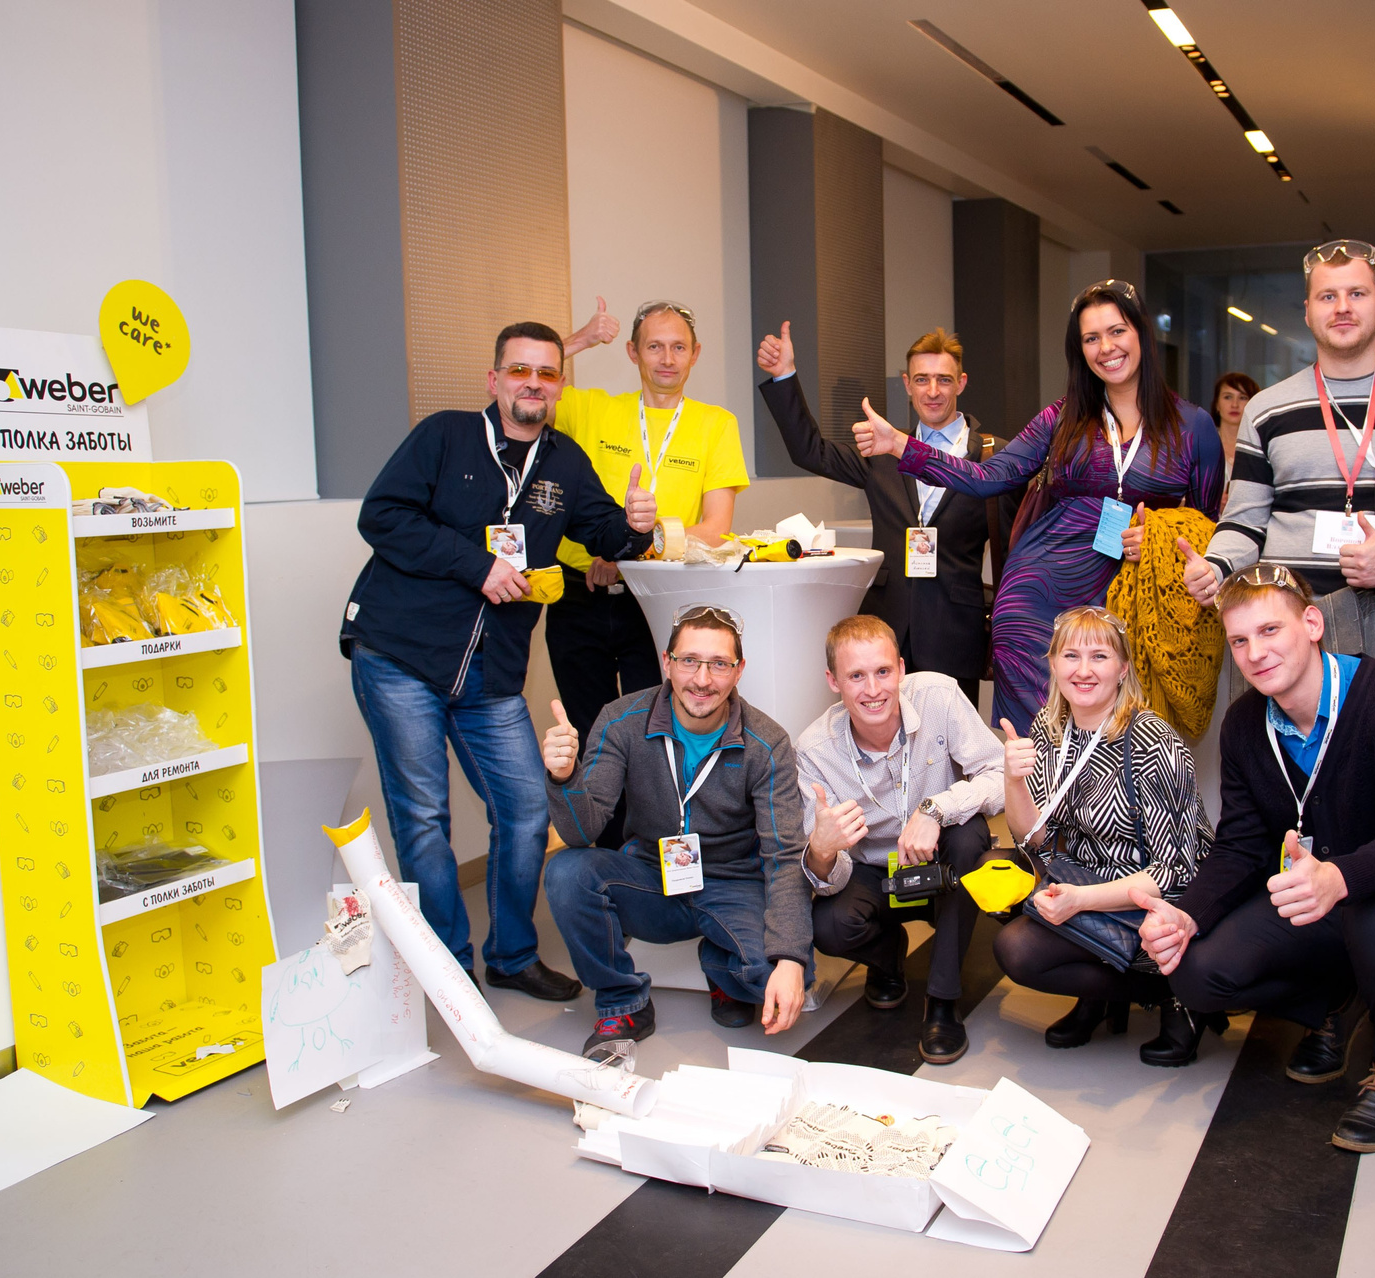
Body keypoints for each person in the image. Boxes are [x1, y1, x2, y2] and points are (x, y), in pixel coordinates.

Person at [341, 321, 658, 999]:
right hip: (401, 657)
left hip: (491, 672)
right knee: (424, 818)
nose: (532, 384)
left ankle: (511, 957)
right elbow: (382, 516)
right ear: (494, 379)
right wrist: (477, 565)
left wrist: (636, 527)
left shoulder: (566, 463)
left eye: (546, 374)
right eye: (519, 371)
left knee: (525, 812)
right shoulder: (445, 436)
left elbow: (605, 533)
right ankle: (449, 969)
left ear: (559, 386)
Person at [1136, 565, 1375, 1152]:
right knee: (1194, 971)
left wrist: (1339, 877)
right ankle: (1338, 1003)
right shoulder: (1245, 725)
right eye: (1240, 640)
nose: (1255, 653)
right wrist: (1187, 914)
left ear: (1313, 624)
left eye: (1270, 630)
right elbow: (1240, 845)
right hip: (1318, 905)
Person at [855, 280, 1224, 733]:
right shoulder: (1063, 416)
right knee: (1041, 740)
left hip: (1131, 596)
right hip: (1036, 597)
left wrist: (1161, 537)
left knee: (1119, 732)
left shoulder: (1192, 426)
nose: (1106, 348)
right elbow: (987, 477)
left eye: (1117, 331)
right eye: (1091, 338)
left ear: (1141, 334)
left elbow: (1206, 527)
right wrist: (901, 445)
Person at [1182, 241, 1375, 701]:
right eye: (1328, 296)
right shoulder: (1266, 409)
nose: (1342, 307)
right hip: (1292, 626)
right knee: (1290, 751)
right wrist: (1217, 566)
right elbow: (1245, 518)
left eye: (1357, 294)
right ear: (1308, 311)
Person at [541, 603, 811, 1056]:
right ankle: (622, 1001)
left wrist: (791, 959)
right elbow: (581, 832)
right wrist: (564, 777)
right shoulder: (621, 720)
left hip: (732, 882)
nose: (702, 679)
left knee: (782, 983)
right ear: (667, 663)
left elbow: (784, 855)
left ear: (739, 670)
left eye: (719, 664)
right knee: (567, 872)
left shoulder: (767, 743)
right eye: (689, 661)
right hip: (652, 879)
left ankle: (720, 967)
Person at [546, 299, 750, 844]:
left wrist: (629, 554)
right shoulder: (591, 409)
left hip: (660, 604)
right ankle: (605, 855)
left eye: (678, 347)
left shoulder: (715, 424)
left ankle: (656, 854)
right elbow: (522, 386)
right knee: (591, 733)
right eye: (654, 346)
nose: (666, 358)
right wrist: (579, 340)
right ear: (632, 352)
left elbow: (716, 527)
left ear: (695, 354)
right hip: (579, 600)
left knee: (658, 736)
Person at [991, 606, 1215, 1067]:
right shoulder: (1049, 728)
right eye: (1071, 656)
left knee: (1019, 948)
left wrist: (1081, 901)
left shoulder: (1154, 742)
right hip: (1084, 876)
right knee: (989, 874)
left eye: (1100, 656)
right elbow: (1034, 837)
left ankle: (1175, 992)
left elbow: (1175, 872)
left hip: (1155, 898)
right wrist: (1012, 779)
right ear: (1054, 664)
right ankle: (1099, 994)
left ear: (1123, 668)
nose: (1084, 670)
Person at [795, 615, 1005, 1063]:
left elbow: (1000, 774)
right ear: (833, 681)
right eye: (856, 676)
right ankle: (889, 958)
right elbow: (825, 878)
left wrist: (935, 809)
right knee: (829, 925)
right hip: (873, 871)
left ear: (902, 669)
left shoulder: (939, 696)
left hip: (940, 861)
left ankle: (942, 1001)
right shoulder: (813, 752)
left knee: (969, 836)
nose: (873, 689)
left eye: (883, 671)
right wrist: (822, 851)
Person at [759, 325, 998, 704]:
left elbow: (1016, 546)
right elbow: (809, 450)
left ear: (962, 383)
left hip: (954, 630)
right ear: (907, 384)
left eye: (943, 379)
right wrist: (784, 376)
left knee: (949, 737)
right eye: (921, 379)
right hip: (885, 629)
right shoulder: (882, 447)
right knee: (877, 733)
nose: (932, 391)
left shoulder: (993, 456)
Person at [1212, 372, 1258, 482]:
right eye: (1228, 397)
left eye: (1243, 398)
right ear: (1217, 404)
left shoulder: (1260, 446)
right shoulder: (1202, 446)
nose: (1234, 405)